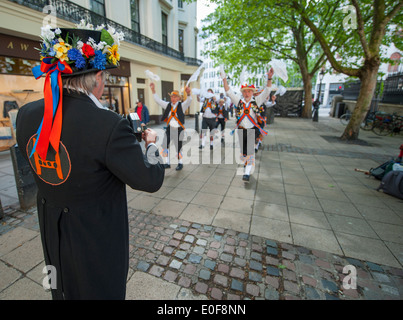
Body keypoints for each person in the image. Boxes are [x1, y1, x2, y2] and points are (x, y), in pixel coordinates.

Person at [16, 25, 164, 300]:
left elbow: (30, 158)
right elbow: (151, 179)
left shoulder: (25, 114)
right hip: (95, 236)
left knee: (60, 288)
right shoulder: (109, 125)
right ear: (97, 76)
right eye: (105, 76)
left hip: (51, 228)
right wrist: (152, 144)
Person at [221, 67, 274, 182]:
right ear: (242, 93)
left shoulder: (257, 101)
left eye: (249, 91)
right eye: (244, 91)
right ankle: (247, 164)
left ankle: (247, 172)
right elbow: (228, 91)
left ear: (252, 92)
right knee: (244, 151)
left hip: (252, 130)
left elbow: (267, 90)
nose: (246, 93)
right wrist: (224, 79)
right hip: (241, 129)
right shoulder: (238, 101)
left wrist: (269, 78)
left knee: (250, 150)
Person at [150, 82, 192, 171]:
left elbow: (189, 100)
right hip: (169, 129)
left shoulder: (182, 106)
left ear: (178, 98)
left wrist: (188, 93)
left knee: (178, 147)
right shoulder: (167, 105)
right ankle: (167, 162)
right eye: (172, 96)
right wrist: (153, 90)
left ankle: (180, 162)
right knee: (165, 145)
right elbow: (158, 101)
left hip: (179, 129)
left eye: (175, 96)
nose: (173, 98)